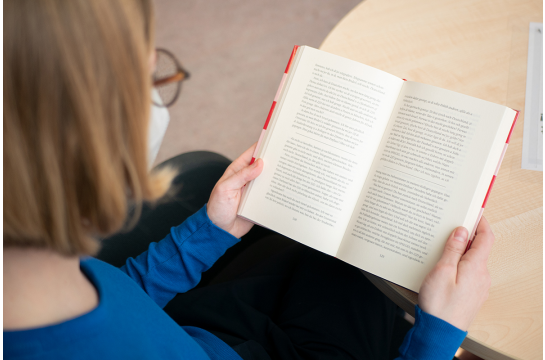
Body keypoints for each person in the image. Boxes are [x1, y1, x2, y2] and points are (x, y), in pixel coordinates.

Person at [3, 0, 494, 359]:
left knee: (344, 247)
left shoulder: (36, 277)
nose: (156, 92)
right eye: (147, 82)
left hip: (203, 333)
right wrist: (437, 337)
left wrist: (202, 237)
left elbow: (118, 299)